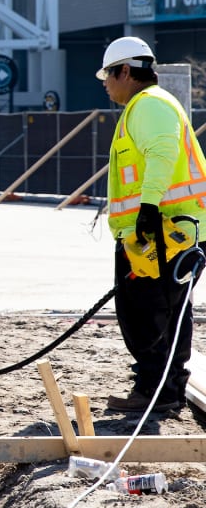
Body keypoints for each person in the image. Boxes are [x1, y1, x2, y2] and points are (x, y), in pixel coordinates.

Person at [97, 36, 205, 413]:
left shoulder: (150, 106)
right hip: (162, 233)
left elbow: (162, 154)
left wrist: (147, 207)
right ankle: (164, 388)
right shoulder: (147, 106)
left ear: (125, 71)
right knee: (164, 312)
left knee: (147, 313)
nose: (106, 84)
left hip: (162, 234)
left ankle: (156, 390)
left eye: (108, 76)